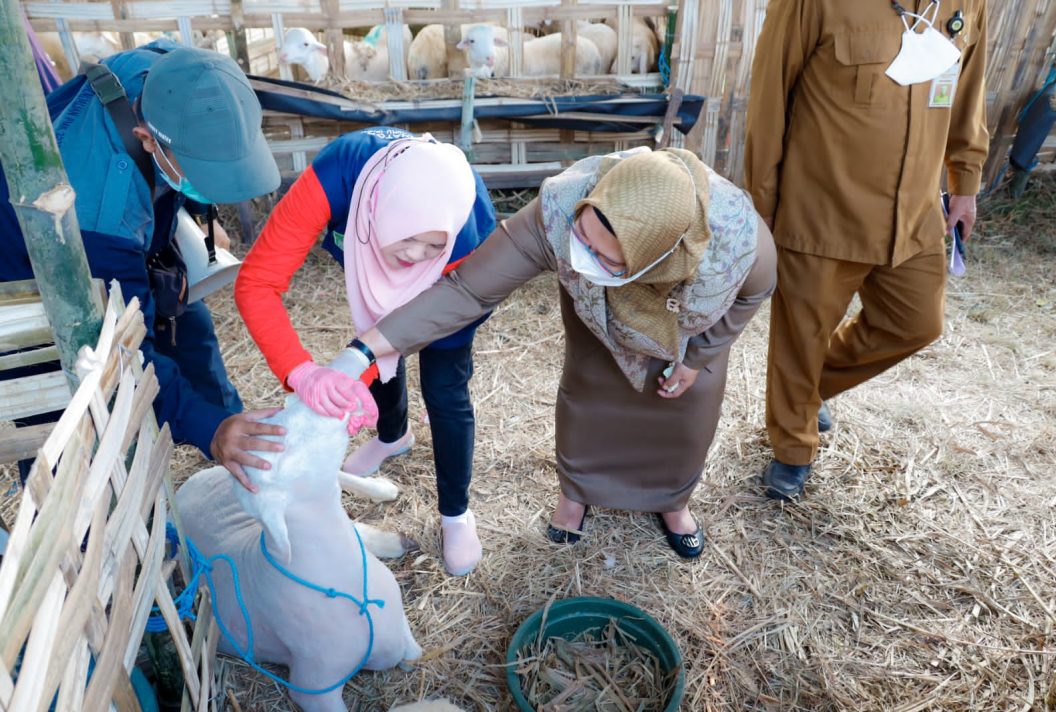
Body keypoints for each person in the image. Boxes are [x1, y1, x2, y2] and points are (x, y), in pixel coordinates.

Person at [353, 146, 776, 560]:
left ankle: (672, 499)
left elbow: (754, 292)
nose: (581, 256)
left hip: (684, 326)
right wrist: (363, 351)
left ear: (655, 259)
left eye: (602, 257)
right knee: (590, 392)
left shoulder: (735, 243)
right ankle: (576, 493)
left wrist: (697, 357)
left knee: (688, 409)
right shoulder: (561, 206)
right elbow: (466, 290)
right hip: (596, 311)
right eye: (582, 238)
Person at [0, 41, 286, 484]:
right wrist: (207, 430)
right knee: (70, 402)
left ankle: (240, 446)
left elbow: (196, 135)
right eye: (199, 171)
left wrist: (195, 217)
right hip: (32, 263)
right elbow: (123, 350)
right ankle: (79, 518)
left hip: (134, 211)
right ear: (147, 139)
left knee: (190, 323)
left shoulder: (171, 76)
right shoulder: (100, 222)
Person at [744, 0, 989, 500]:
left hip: (915, 213)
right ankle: (792, 448)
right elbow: (768, 98)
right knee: (801, 336)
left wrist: (965, 181)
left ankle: (804, 394)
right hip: (823, 207)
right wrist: (762, 204)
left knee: (917, 323)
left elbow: (968, 90)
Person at [234, 128, 497, 577]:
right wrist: (302, 373)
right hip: (365, 246)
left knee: (445, 385)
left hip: (450, 285)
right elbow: (257, 281)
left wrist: (435, 251)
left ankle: (456, 513)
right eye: (408, 237)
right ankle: (393, 436)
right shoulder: (338, 175)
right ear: (381, 204)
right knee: (374, 342)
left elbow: (452, 298)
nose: (415, 254)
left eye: (431, 243)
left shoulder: (468, 225)